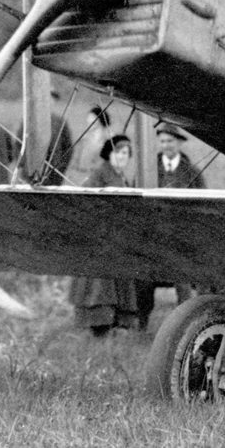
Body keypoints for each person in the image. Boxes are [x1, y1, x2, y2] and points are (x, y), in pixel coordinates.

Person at [136, 121, 207, 331]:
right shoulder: (148, 168)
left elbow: (203, 205)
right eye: (163, 141)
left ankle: (185, 328)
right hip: (153, 237)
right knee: (143, 283)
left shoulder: (191, 172)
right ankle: (141, 325)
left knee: (183, 284)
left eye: (170, 141)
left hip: (180, 238)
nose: (166, 145)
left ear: (179, 144)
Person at [67, 135, 138, 336]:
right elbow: (85, 201)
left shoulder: (121, 176)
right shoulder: (99, 174)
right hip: (98, 237)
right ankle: (99, 325)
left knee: (119, 279)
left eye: (126, 153)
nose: (122, 157)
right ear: (109, 154)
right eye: (118, 152)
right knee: (99, 283)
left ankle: (119, 322)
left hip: (117, 237)